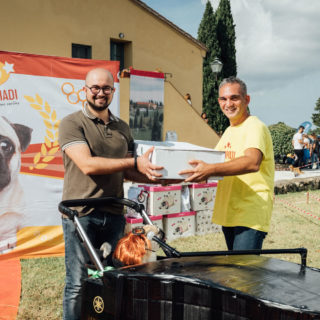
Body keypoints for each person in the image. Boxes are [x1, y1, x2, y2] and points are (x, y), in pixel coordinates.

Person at [58, 68, 164, 320]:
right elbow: (88, 165)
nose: (100, 93)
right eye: (94, 88)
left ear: (113, 92)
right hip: (80, 214)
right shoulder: (72, 123)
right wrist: (133, 163)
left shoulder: (122, 128)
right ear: (85, 90)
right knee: (78, 281)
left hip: (115, 213)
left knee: (115, 276)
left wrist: (161, 173)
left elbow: (130, 171)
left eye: (106, 88)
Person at [179, 76, 274, 251]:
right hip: (229, 213)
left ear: (247, 100)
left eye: (234, 98)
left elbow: (252, 162)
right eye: (223, 99)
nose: (228, 104)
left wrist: (209, 169)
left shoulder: (254, 126)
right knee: (235, 273)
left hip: (249, 213)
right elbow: (213, 165)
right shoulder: (229, 131)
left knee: (243, 273)